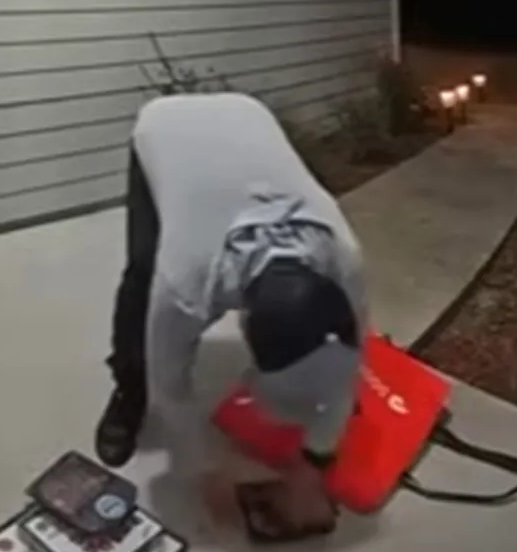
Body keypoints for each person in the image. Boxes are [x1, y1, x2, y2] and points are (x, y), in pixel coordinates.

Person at [96, 92, 369, 529]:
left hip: (248, 114)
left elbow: (350, 370)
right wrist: (205, 468)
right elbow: (170, 387)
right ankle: (127, 394)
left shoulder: (345, 261)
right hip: (167, 130)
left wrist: (314, 463)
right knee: (141, 274)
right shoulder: (186, 283)